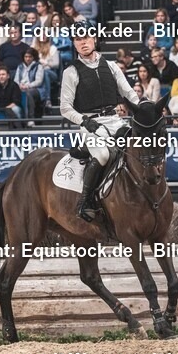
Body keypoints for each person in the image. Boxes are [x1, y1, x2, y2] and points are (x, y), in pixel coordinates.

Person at [59, 24, 142, 222]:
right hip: (91, 124)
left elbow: (128, 93)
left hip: (115, 120)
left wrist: (141, 109)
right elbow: (65, 108)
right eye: (78, 39)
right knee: (104, 154)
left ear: (94, 39)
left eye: (86, 37)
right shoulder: (71, 72)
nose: (83, 42)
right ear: (74, 44)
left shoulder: (111, 66)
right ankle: (85, 202)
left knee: (137, 147)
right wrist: (84, 120)